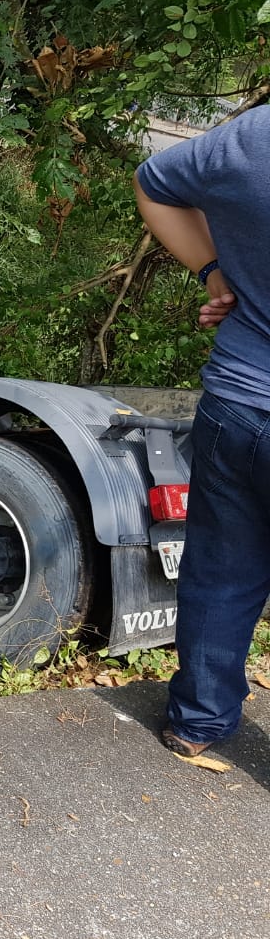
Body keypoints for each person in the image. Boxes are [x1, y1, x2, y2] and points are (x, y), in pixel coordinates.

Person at [133, 103, 270, 756]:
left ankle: (196, 722)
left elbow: (153, 182)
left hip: (236, 403)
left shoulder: (253, 136)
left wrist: (212, 271)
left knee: (221, 568)